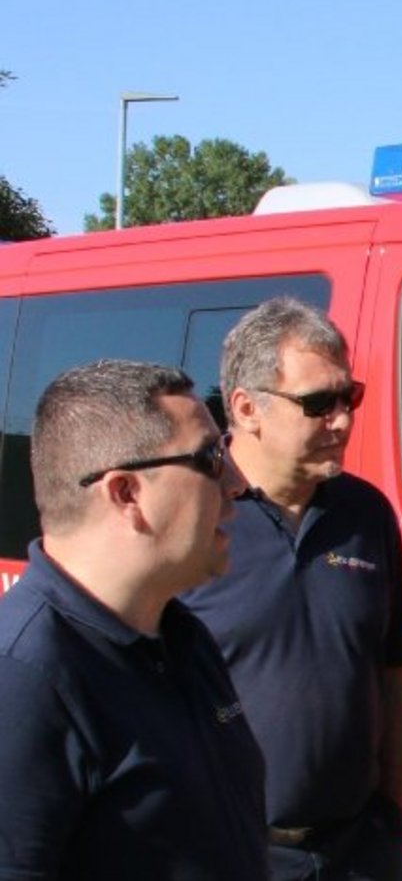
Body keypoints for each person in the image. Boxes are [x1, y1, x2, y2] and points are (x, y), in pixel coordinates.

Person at [181, 298, 402, 881]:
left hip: (359, 852)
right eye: (318, 403)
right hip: (233, 855)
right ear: (246, 408)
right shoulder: (193, 517)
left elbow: (395, 676)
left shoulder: (367, 515)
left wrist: (393, 822)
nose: (341, 419)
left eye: (349, 397)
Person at [0, 359, 266, 879]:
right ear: (126, 493)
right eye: (212, 457)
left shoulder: (183, 637)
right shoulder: (25, 683)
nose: (237, 483)